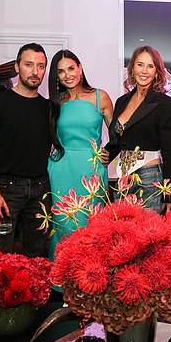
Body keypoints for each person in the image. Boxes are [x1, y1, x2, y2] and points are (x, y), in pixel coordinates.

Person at [0, 43, 52, 257]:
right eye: (29, 65)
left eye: (41, 66)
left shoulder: (49, 109)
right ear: (17, 67)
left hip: (41, 190)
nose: (35, 71)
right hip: (5, 190)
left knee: (37, 258)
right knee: (0, 258)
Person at [46, 49, 113, 258]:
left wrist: (109, 152)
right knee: (64, 226)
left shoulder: (99, 97)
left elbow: (119, 136)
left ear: (80, 68)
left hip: (91, 171)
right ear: (56, 76)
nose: (68, 75)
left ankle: (92, 280)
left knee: (92, 226)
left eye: (71, 68)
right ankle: (62, 282)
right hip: (61, 170)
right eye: (61, 71)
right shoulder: (57, 102)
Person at [105, 46, 171, 213]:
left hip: (149, 176)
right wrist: (98, 159)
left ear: (157, 72)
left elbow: (170, 151)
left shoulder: (165, 104)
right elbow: (117, 142)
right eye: (140, 65)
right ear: (132, 68)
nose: (144, 71)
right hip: (122, 178)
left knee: (146, 236)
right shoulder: (122, 102)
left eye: (150, 66)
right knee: (123, 235)